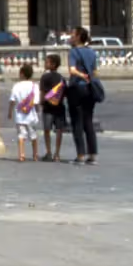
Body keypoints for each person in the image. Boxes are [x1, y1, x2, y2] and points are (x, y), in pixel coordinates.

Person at [64, 26, 100, 165]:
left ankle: (80, 155)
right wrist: (89, 78)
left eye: (73, 34)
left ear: (78, 37)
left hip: (77, 88)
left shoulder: (73, 52)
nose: (70, 36)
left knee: (77, 122)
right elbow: (96, 72)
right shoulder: (91, 52)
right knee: (88, 122)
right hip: (90, 89)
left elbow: (72, 70)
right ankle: (93, 155)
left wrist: (81, 75)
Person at [7, 62, 41, 162]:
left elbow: (12, 100)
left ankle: (22, 155)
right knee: (33, 135)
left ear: (21, 73)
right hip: (31, 114)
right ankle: (35, 155)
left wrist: (9, 112)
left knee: (21, 135)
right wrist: (37, 110)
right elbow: (36, 102)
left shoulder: (16, 86)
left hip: (20, 114)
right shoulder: (34, 86)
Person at [38, 53, 68, 162]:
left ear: (53, 64)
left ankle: (49, 152)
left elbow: (42, 92)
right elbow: (64, 93)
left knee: (47, 130)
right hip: (59, 107)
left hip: (48, 107)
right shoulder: (62, 78)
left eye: (47, 62)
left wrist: (41, 102)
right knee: (59, 130)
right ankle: (57, 154)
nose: (45, 64)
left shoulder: (45, 77)